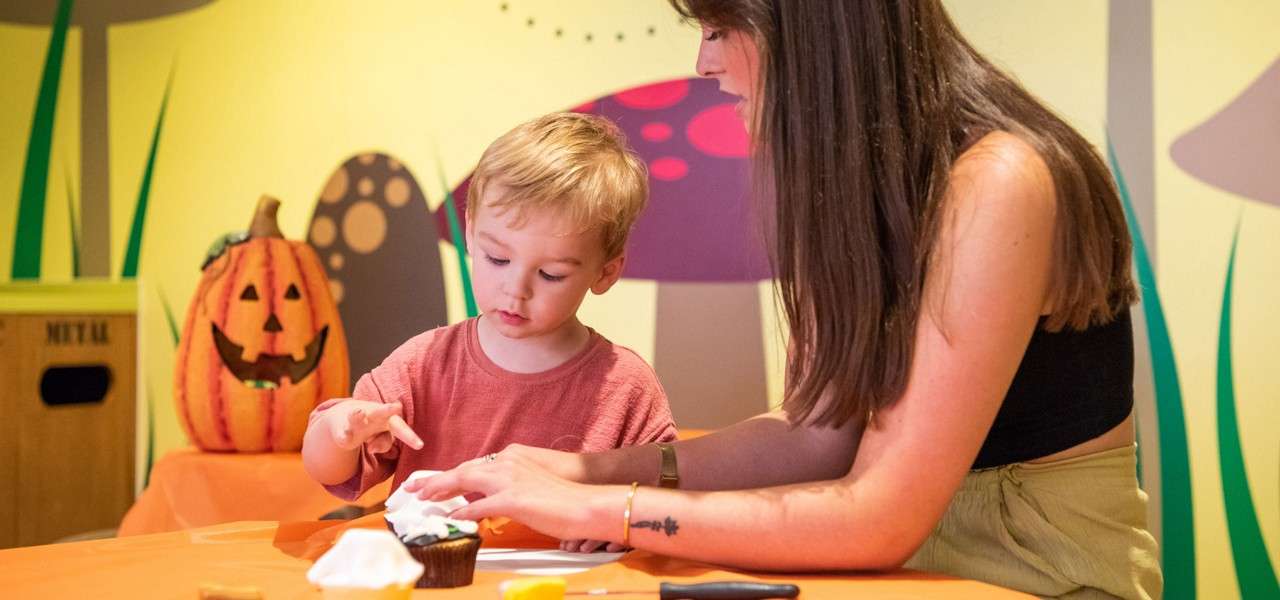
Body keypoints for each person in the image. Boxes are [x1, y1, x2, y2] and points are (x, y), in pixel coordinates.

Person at [407, 1, 1163, 598]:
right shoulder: (853, 195)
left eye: (720, 27)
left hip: (1040, 573)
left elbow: (880, 517)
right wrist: (586, 471)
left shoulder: (1002, 180)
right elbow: (815, 437)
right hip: (911, 561)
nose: (703, 60)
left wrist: (605, 507)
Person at [302, 112, 678, 509]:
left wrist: (615, 514)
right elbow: (329, 470)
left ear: (605, 273)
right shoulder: (424, 363)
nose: (516, 290)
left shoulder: (625, 387)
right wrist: (339, 433)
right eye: (497, 259)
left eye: (550, 275)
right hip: (436, 568)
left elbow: (663, 500)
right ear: (470, 234)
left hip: (570, 572)